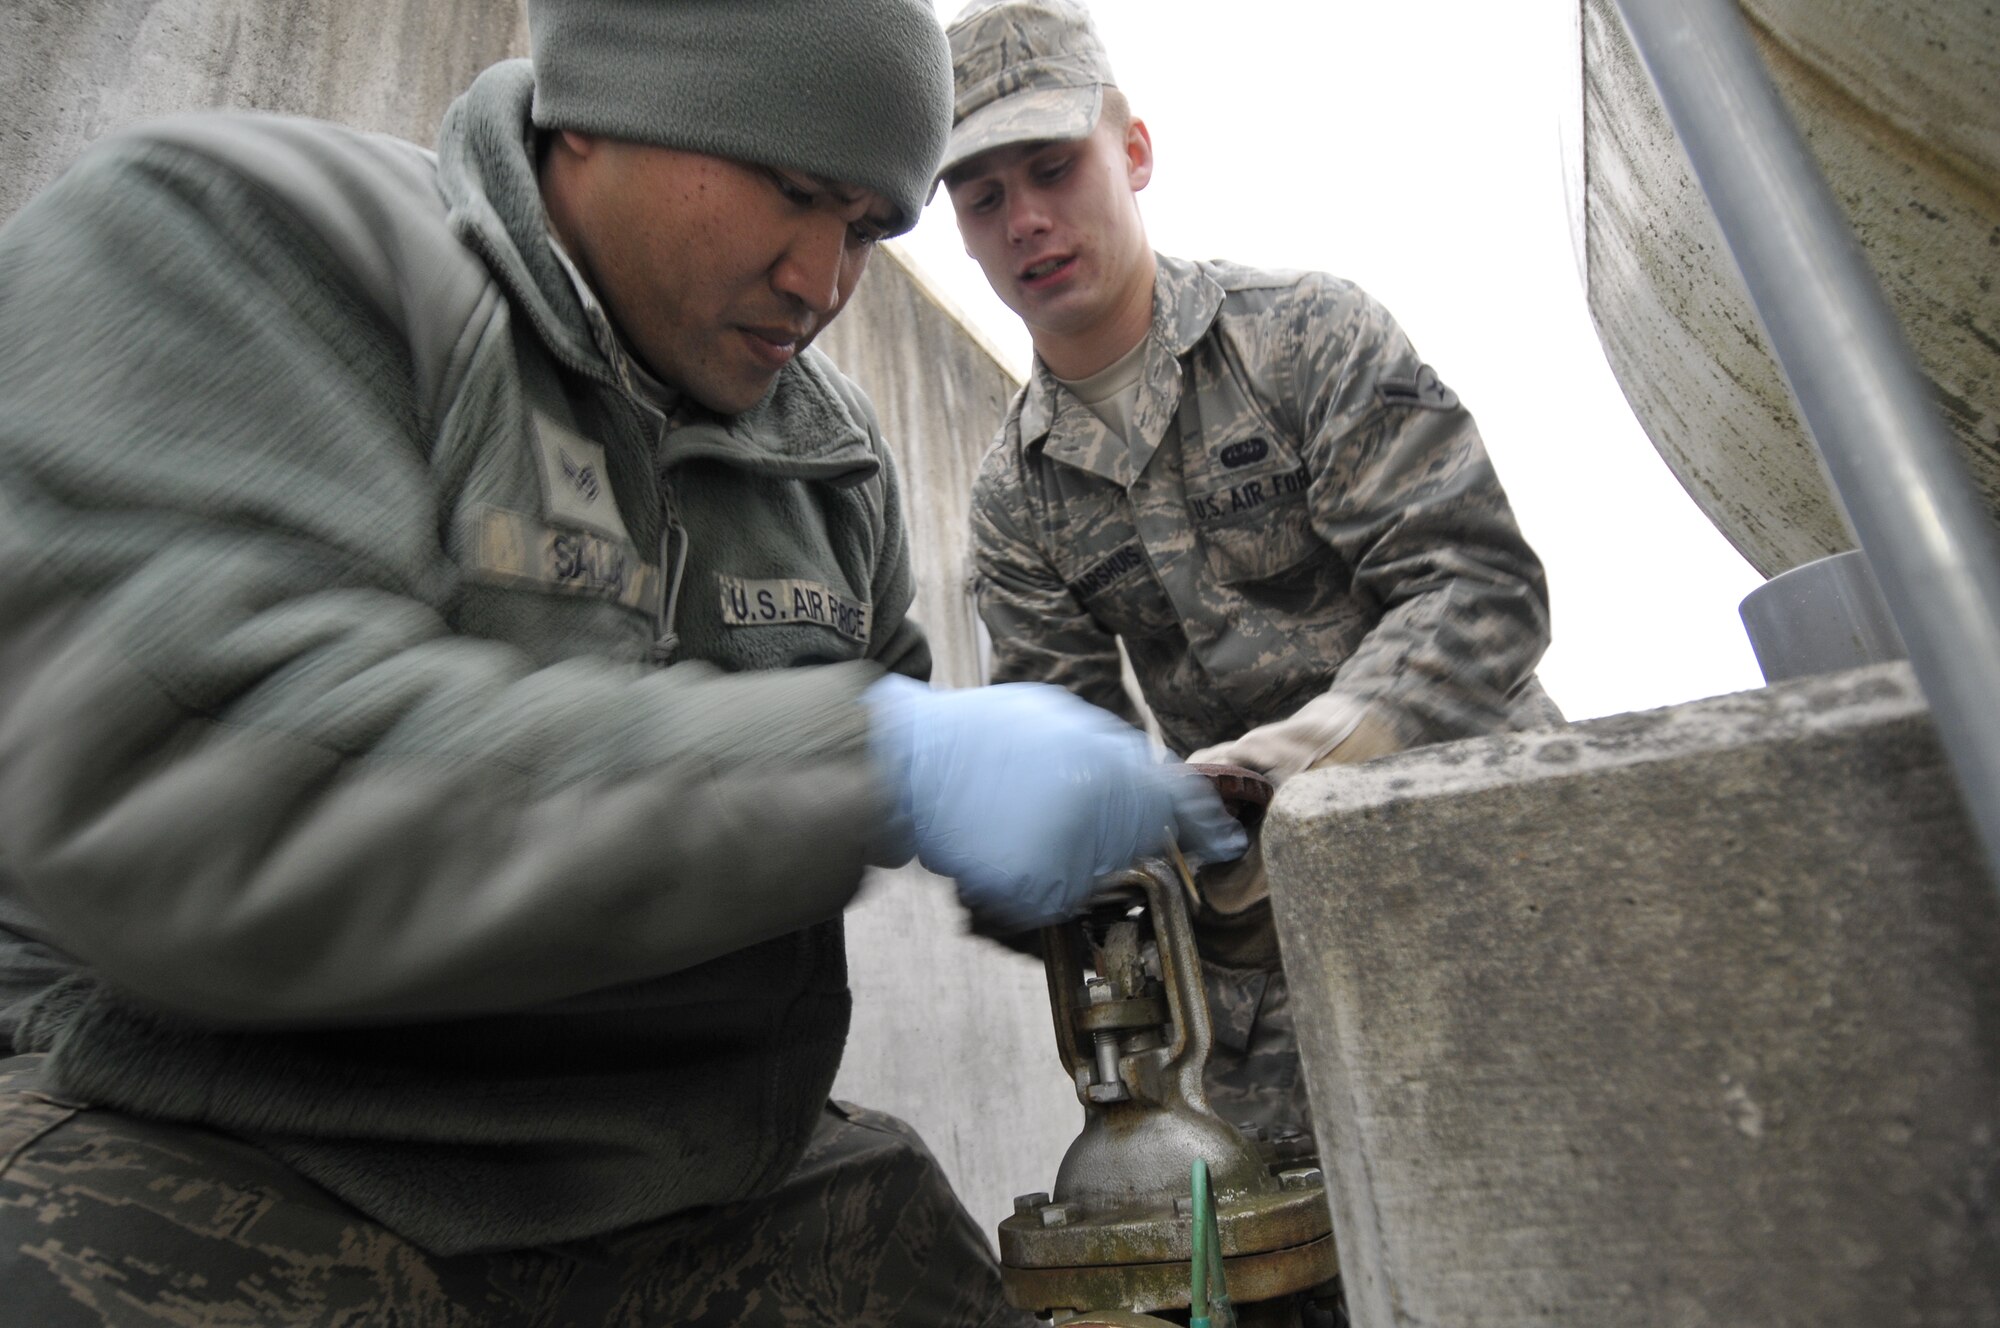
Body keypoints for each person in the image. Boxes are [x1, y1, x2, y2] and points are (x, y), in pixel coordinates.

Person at [0, 1, 1245, 1323]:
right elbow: (208, 794)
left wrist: (1041, 855)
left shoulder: (824, 457)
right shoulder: (246, 244)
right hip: (233, 1141)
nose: (823, 281)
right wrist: (876, 764)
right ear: (604, 109)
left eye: (869, 230)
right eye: (797, 192)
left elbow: (860, 790)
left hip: (690, 1176)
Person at [940, 0, 1557, 1148]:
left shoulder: (1304, 334)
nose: (1026, 218)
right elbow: (1071, 746)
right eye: (982, 196)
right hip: (1260, 959)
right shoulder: (1014, 499)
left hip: (1476, 848)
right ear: (963, 233)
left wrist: (1288, 765)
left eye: (1051, 166)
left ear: (1130, 150)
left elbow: (1477, 588)